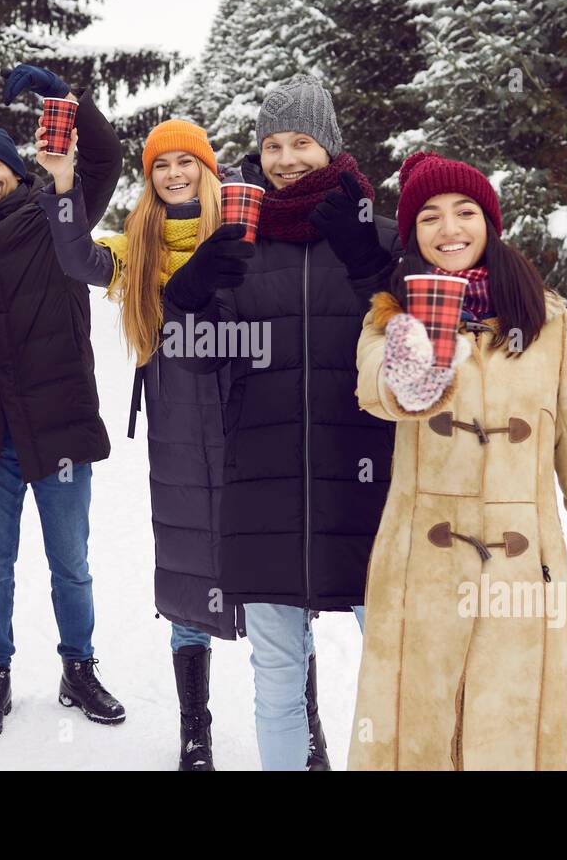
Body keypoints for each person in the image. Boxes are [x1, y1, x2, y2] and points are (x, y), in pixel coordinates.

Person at [349, 150, 567, 770]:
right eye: (429, 217)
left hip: (524, 586)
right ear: (412, 235)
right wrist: (417, 368)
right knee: (411, 746)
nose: (449, 229)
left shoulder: (553, 323)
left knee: (506, 744)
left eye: (464, 211)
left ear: (490, 221)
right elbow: (376, 391)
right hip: (417, 580)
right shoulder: (392, 319)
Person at [161, 75, 402, 770]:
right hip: (263, 487)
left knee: (395, 669)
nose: (287, 157)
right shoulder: (238, 247)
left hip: (368, 487)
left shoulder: (379, 237)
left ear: (330, 146)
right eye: (273, 144)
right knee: (276, 683)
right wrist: (193, 296)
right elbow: (199, 362)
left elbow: (422, 349)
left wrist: (371, 268)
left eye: (302, 141)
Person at [37, 118, 243, 769]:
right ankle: (195, 730)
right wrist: (64, 182)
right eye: (161, 165)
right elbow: (75, 258)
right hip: (179, 423)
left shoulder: (243, 231)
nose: (175, 173)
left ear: (207, 171)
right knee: (186, 568)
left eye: (188, 162)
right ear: (149, 178)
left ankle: (305, 725)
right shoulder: (138, 246)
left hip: (246, 419)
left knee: (273, 581)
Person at [0, 64, 127, 742]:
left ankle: (77, 667)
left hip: (57, 423)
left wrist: (64, 99)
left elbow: (108, 154)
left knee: (71, 563)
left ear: (14, 168)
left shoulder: (60, 211)